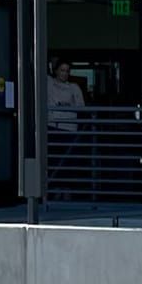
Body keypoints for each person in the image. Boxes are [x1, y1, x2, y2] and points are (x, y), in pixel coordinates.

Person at [47, 59, 87, 197]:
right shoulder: (49, 83)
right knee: (54, 160)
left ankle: (67, 190)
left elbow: (81, 107)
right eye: (62, 70)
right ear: (56, 70)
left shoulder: (74, 87)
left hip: (69, 128)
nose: (64, 73)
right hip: (52, 126)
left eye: (67, 71)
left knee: (68, 161)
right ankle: (55, 191)